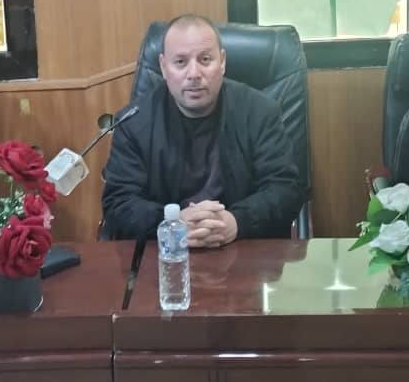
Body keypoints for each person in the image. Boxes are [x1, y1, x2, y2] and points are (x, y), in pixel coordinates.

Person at [101, 15, 304, 247]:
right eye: (180, 62)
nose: (194, 74)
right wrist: (172, 223)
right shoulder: (133, 122)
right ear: (164, 67)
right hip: (165, 254)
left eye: (205, 60)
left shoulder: (260, 112)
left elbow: (285, 189)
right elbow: (118, 203)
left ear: (223, 62)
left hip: (244, 249)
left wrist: (237, 221)